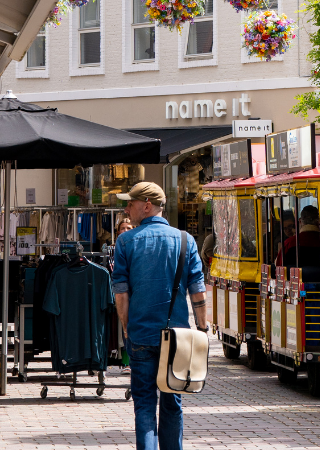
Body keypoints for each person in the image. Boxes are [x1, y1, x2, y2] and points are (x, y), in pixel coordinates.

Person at [111, 182, 207, 450]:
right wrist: (202, 327)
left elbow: (121, 292)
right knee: (172, 401)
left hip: (141, 333)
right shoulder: (186, 241)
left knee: (143, 404)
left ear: (147, 205)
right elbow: (198, 290)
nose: (127, 208)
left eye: (130, 203)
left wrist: (126, 327)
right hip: (177, 335)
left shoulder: (126, 241)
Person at [116, 217, 134, 376]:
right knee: (124, 327)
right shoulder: (116, 248)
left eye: (129, 228)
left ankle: (130, 361)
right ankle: (125, 361)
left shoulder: (136, 246)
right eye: (122, 228)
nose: (125, 231)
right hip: (121, 292)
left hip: (134, 293)